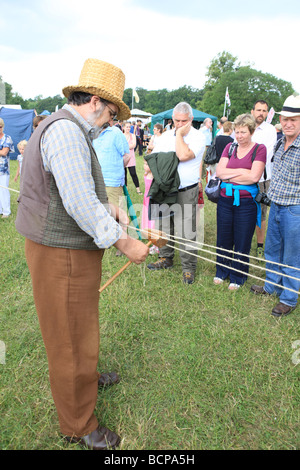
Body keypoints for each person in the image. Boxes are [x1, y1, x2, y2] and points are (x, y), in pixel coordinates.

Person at [15, 58, 149, 450]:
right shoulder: (67, 133)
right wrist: (125, 242)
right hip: (61, 253)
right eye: (110, 112)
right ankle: (78, 423)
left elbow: (78, 194)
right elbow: (77, 202)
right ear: (94, 100)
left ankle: (85, 378)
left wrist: (114, 211)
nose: (110, 121)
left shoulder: (68, 129)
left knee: (80, 325)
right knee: (69, 336)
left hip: (67, 250)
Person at [251, 95, 300, 317]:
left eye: (294, 119)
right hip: (276, 206)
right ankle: (271, 286)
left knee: (292, 256)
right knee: (272, 250)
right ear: (280, 119)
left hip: (294, 209)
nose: (288, 123)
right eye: (285, 118)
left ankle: (288, 298)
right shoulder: (280, 142)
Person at [147, 102, 206, 285]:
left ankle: (188, 268)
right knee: (164, 225)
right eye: (177, 121)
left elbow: (183, 155)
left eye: (184, 121)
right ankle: (166, 258)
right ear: (172, 119)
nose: (180, 124)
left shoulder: (198, 136)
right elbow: (154, 158)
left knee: (187, 230)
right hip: (165, 188)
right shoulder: (164, 137)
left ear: (191, 119)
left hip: (186, 189)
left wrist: (179, 135)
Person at [214, 113, 266, 290]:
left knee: (242, 238)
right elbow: (220, 172)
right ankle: (222, 271)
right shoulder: (229, 147)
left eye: (243, 132)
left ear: (251, 132)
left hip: (246, 204)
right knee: (224, 236)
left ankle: (238, 275)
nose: (239, 136)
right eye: (237, 132)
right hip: (225, 201)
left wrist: (232, 175)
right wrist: (243, 172)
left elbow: (254, 177)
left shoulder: (260, 149)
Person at [93, 118, 130, 256]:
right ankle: (105, 239)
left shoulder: (115, 132)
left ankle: (123, 244)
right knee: (100, 211)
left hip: (113, 181)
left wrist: (117, 170)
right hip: (97, 180)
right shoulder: (93, 134)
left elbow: (126, 156)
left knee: (118, 212)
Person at [251, 100, 277, 258]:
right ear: (252, 111)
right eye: (258, 110)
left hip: (262, 178)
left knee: (261, 213)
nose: (261, 113)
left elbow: (265, 155)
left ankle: (260, 244)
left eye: (264, 111)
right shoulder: (245, 126)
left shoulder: (270, 130)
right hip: (243, 177)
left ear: (267, 113)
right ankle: (243, 241)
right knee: (244, 210)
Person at [142, 159, 159, 254]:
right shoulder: (146, 173)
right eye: (144, 164)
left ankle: (156, 245)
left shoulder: (153, 176)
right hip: (146, 200)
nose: (145, 166)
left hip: (152, 200)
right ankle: (152, 241)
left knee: (153, 222)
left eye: (147, 164)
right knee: (148, 221)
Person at [0, 118, 15, 219]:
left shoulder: (7, 138)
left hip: (3, 170)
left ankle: (6, 211)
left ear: (3, 127)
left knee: (3, 190)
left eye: (0, 127)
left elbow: (4, 153)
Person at [123, 121, 142, 195]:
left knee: (133, 173)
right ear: (123, 127)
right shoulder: (121, 135)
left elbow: (133, 145)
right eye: (126, 127)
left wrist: (124, 147)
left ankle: (138, 189)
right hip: (123, 157)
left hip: (131, 157)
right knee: (124, 174)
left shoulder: (132, 135)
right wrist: (128, 146)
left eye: (129, 127)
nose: (128, 128)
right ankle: (126, 190)